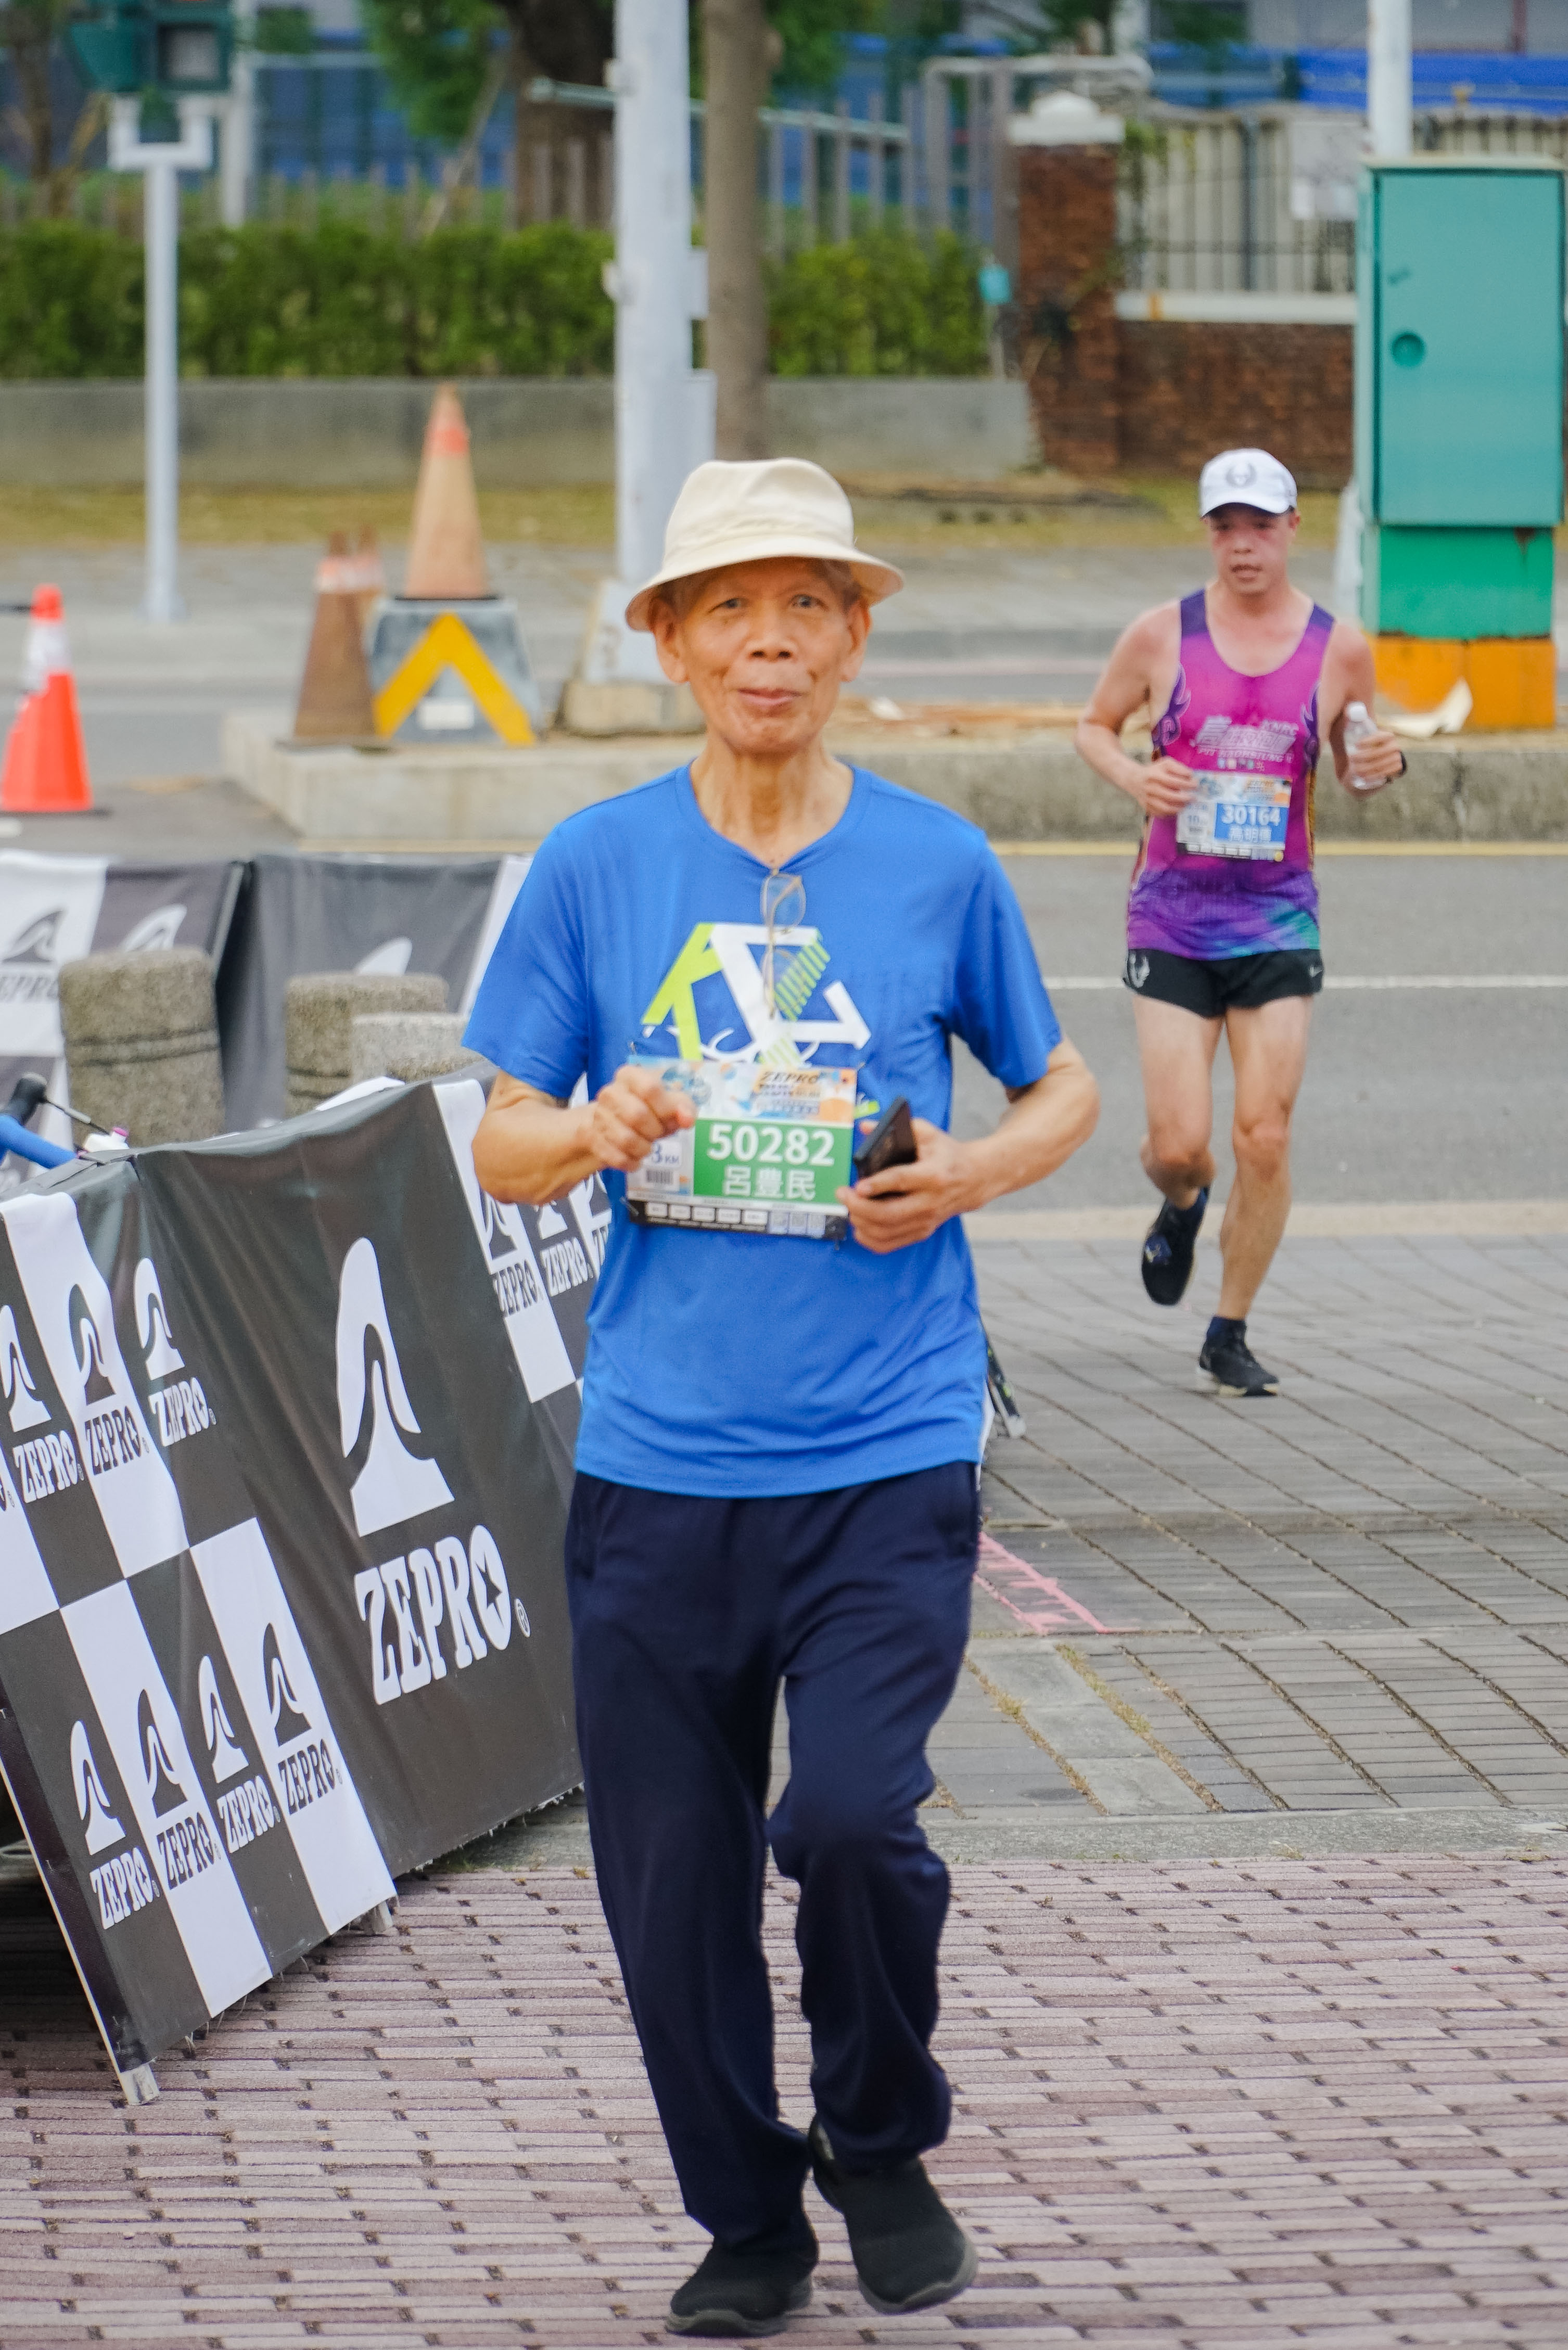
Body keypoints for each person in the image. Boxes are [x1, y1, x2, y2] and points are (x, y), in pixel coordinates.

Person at [464, 458, 1098, 2337]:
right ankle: (746, 2218)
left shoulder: (934, 861)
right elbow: (498, 1136)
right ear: (668, 643)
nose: (768, 642)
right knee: (668, 1887)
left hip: (885, 1449)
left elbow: (1059, 1083)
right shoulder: (594, 864)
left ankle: (878, 2137)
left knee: (849, 1820)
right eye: (728, 608)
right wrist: (593, 1125)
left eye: (805, 605)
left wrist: (968, 1171)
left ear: (850, 638)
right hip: (657, 1469)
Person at [1074, 448, 1405, 1397]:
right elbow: (1092, 726)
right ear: (1208, 533)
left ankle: (1228, 1330)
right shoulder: (1160, 635)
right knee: (1181, 1144)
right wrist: (1135, 776)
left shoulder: (1338, 648)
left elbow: (1354, 761)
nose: (1243, 545)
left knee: (1264, 1133)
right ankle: (1181, 1203)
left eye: (1260, 526)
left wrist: (1374, 768)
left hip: (1277, 917)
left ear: (1293, 528)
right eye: (1225, 527)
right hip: (1171, 915)